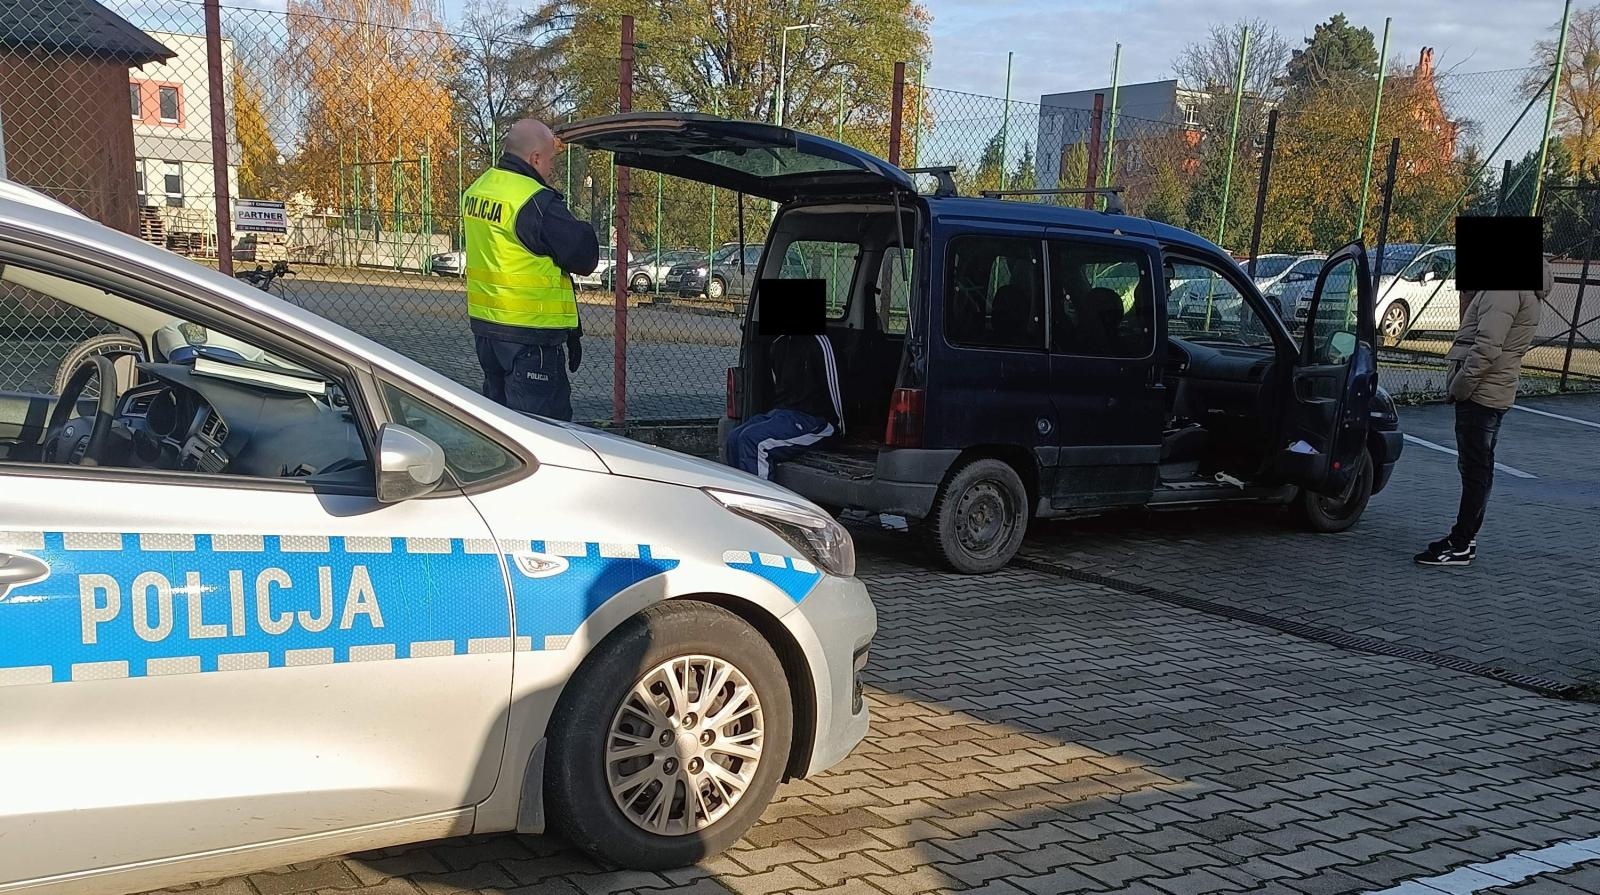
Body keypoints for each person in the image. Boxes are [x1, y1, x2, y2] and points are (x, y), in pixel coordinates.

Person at [1414, 255, 1547, 566]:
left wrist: (1461, 385)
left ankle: (1461, 543)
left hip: (1482, 392)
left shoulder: (1505, 290)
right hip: (1492, 389)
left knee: (1476, 470)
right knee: (1478, 469)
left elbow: (1486, 347)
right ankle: (1464, 539)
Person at [462, 119, 598, 421]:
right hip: (531, 336)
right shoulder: (534, 201)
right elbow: (583, 255)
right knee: (541, 428)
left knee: (498, 424)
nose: (552, 169)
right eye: (550, 160)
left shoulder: (478, 189)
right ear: (535, 158)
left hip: (489, 330)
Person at [726, 334, 844, 479]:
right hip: (783, 413)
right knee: (734, 438)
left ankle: (761, 492)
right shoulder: (778, 344)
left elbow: (836, 388)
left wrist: (839, 427)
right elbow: (778, 390)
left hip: (815, 420)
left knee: (755, 442)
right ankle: (738, 490)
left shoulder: (819, 342)